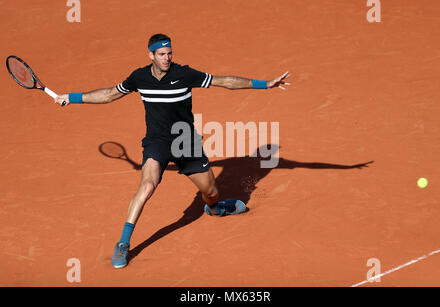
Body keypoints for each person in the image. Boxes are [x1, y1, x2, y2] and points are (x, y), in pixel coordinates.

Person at [55, 33, 291, 269]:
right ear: (151, 55)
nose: (167, 58)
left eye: (169, 53)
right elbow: (108, 94)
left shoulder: (184, 74)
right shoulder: (139, 77)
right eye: (161, 54)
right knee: (147, 186)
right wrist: (71, 97)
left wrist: (265, 84)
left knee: (211, 192)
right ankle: (123, 243)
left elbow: (224, 81)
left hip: (186, 141)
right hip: (156, 142)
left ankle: (215, 209)